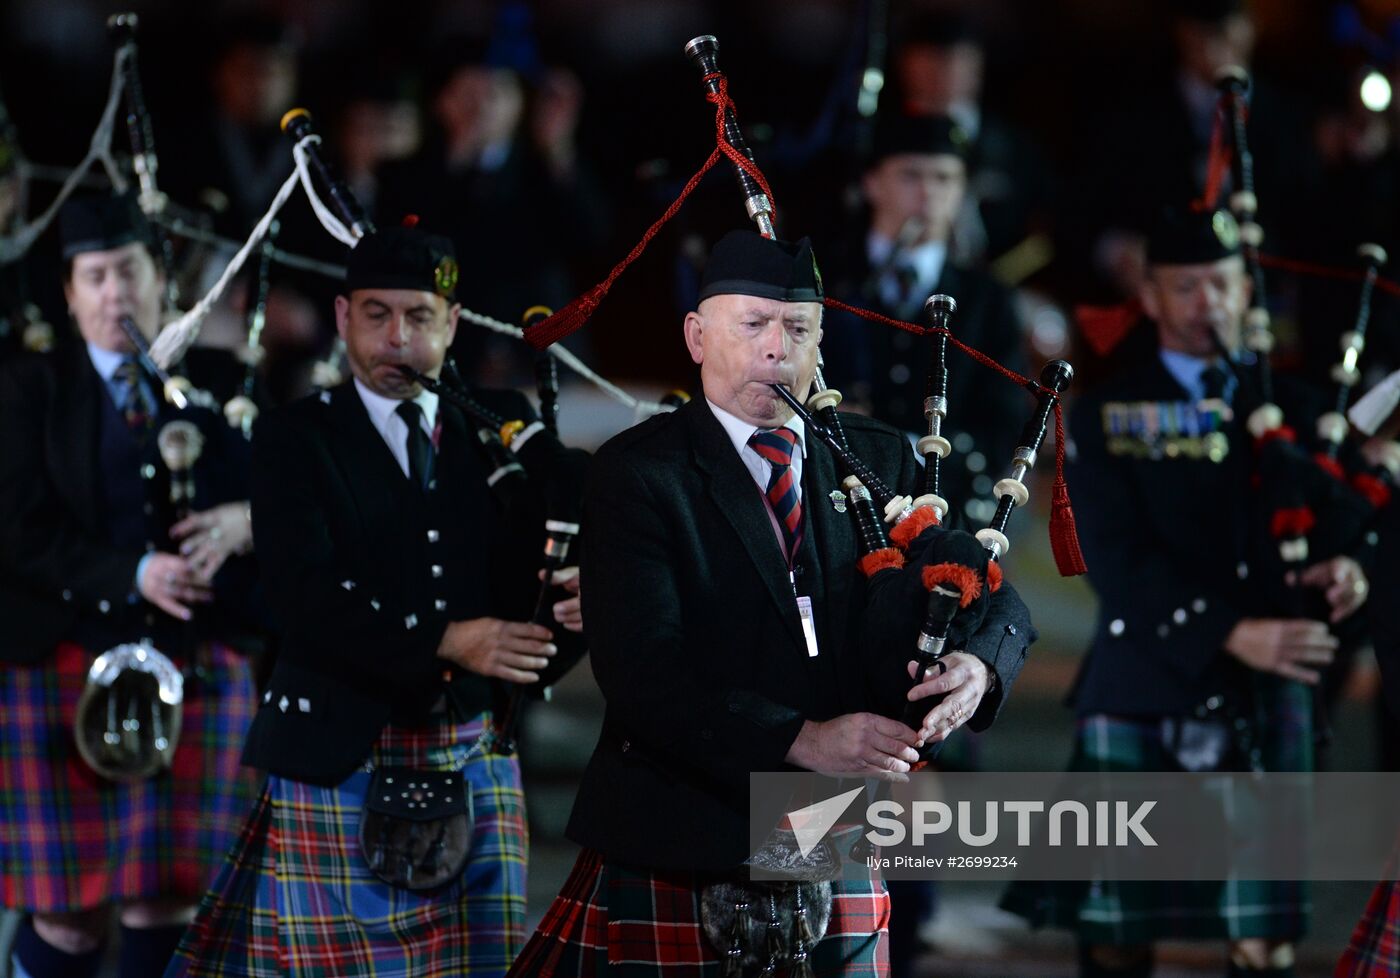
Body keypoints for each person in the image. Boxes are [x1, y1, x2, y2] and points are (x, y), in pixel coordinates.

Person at [507, 229, 1035, 977]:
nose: (774, 349)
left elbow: (992, 597)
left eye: (797, 329)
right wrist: (805, 739)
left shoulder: (879, 458)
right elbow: (642, 672)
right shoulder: (639, 473)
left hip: (831, 829)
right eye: (751, 324)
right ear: (697, 336)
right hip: (686, 822)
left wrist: (978, 666)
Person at [166, 224, 586, 978]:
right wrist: (446, 639)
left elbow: (541, 587)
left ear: (452, 324)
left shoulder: (499, 431)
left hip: (472, 752)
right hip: (340, 749)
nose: (398, 339)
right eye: (376, 315)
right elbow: (301, 596)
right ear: (341, 318)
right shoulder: (296, 436)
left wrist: (576, 609)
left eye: (420, 317)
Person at [1003, 207, 1371, 978]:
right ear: (1154, 298)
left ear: (1248, 294)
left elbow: (1339, 526)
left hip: (1268, 688)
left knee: (1262, 939)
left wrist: (1347, 572)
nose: (1209, 303)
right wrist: (1232, 632)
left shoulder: (1300, 414)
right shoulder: (1104, 416)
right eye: (1188, 286)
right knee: (1114, 934)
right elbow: (1113, 558)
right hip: (1146, 677)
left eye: (1223, 285)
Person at [0, 193, 261, 978]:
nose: (117, 292)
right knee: (70, 914)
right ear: (70, 293)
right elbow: (13, 533)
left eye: (130, 270)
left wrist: (250, 517)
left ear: (161, 279)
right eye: (96, 276)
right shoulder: (26, 391)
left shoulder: (220, 380)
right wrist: (135, 573)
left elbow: (295, 489)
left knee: (172, 898)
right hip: (64, 661)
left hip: (199, 664)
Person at [821, 112, 1026, 527]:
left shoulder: (988, 299)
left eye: (945, 179)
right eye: (911, 175)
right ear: (872, 183)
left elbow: (1003, 421)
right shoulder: (823, 281)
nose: (928, 193)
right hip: (830, 503)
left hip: (946, 511)